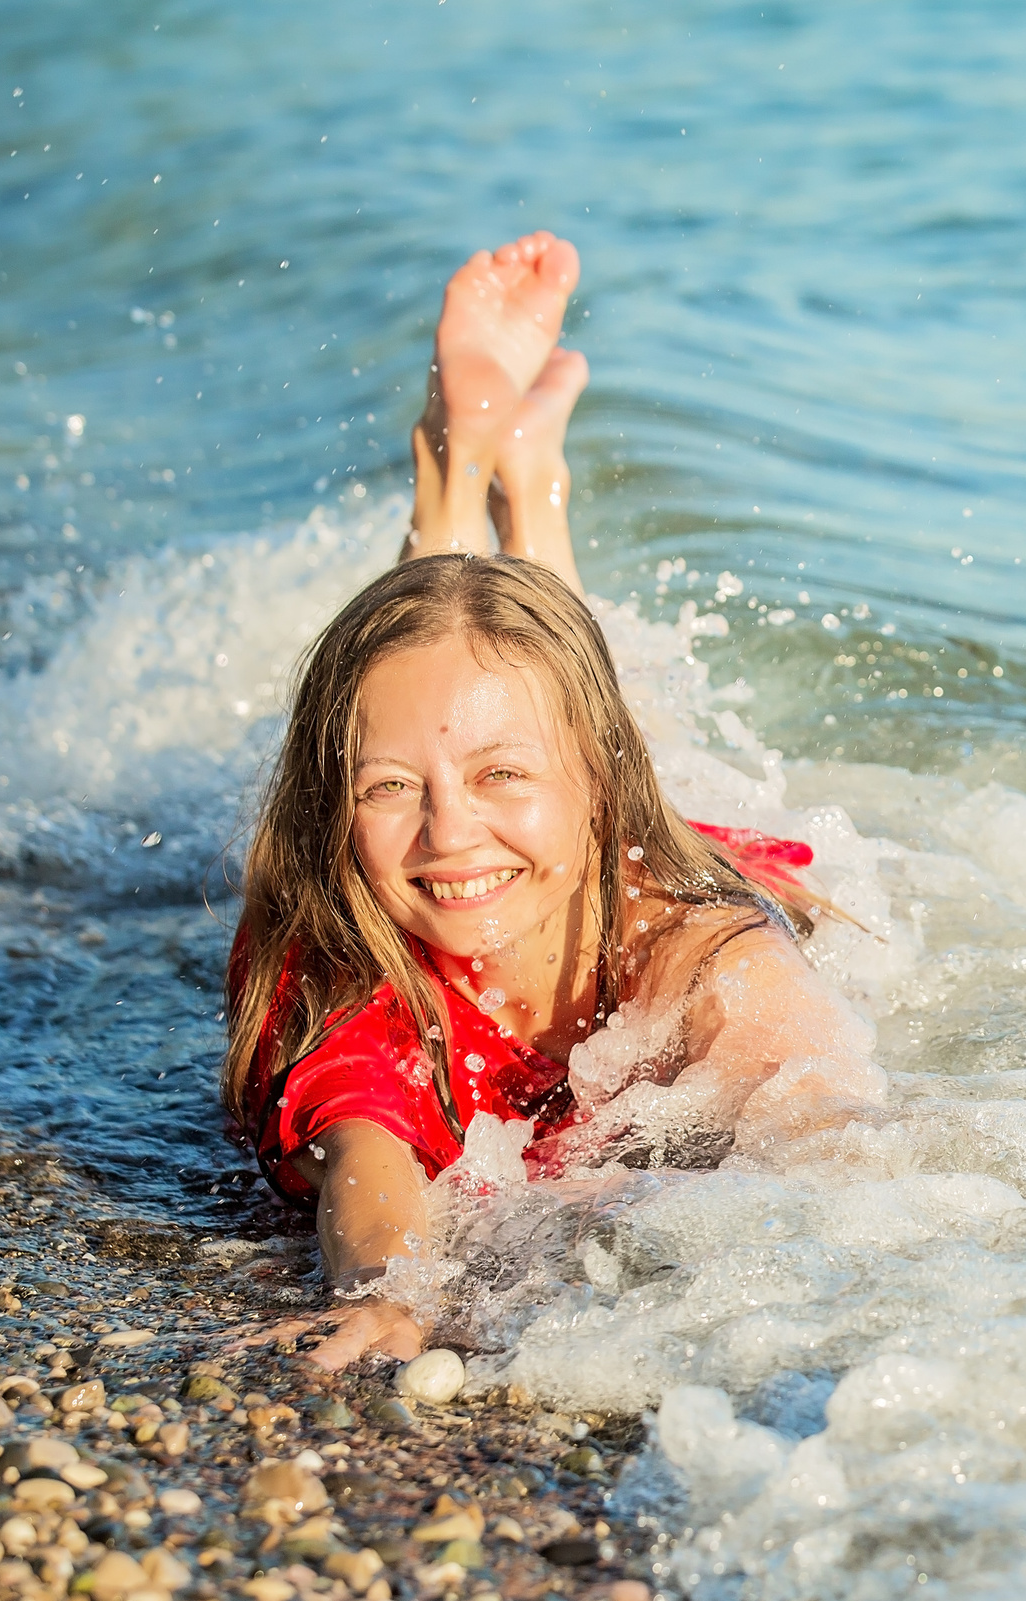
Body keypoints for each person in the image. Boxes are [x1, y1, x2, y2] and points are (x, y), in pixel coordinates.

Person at [221, 233, 884, 1371]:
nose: (446, 836)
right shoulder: (351, 974)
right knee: (451, 701)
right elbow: (370, 1166)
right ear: (335, 812)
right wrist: (389, 1293)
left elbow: (824, 1111)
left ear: (604, 796)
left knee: (517, 711)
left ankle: (521, 481)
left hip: (603, 852)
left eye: (498, 787)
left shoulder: (685, 937)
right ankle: (449, 470)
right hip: (485, 854)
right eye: (385, 794)